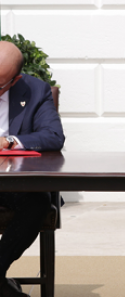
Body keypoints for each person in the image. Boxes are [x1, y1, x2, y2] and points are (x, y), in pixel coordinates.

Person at [0, 41, 65, 297]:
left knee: (39, 202)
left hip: (14, 182)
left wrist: (10, 141)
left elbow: (53, 136)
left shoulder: (35, 91)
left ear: (15, 80)